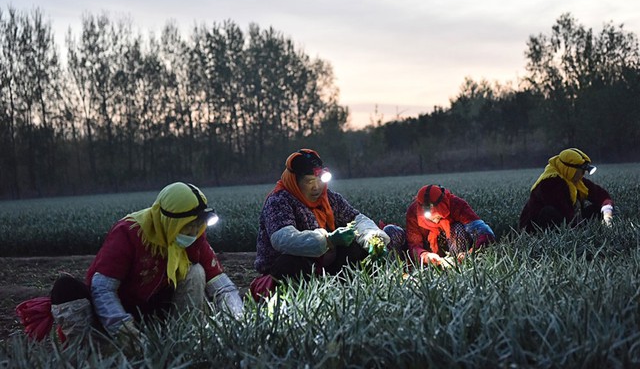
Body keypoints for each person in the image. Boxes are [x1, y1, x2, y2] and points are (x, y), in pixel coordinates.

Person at [48, 182, 244, 348]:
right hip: (115, 312)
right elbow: (103, 289)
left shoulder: (195, 235)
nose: (194, 232)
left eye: (198, 226)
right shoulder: (129, 232)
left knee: (196, 272)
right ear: (169, 222)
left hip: (153, 309)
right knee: (65, 288)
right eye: (188, 226)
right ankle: (92, 351)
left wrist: (238, 321)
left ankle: (186, 340)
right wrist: (125, 331)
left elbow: (221, 285)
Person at [252, 149, 399, 299]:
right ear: (295, 181)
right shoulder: (279, 200)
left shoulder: (330, 199)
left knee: (355, 249)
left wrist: (373, 239)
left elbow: (357, 219)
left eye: (320, 180)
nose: (316, 187)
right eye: (309, 181)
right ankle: (297, 298)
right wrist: (327, 240)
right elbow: (283, 239)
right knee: (290, 263)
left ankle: (349, 293)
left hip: (324, 263)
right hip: (290, 266)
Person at [519, 148, 614, 232]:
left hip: (569, 219)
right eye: (581, 170)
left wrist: (607, 213)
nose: (583, 173)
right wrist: (581, 229)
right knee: (549, 212)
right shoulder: (550, 183)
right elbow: (565, 212)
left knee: (598, 209)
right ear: (570, 169)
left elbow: (600, 194)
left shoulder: (575, 180)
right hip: (539, 226)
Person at [405, 184, 495, 267]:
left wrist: (471, 253)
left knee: (457, 227)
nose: (435, 221)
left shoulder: (456, 204)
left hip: (457, 246)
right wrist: (425, 255)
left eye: (438, 216)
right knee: (392, 233)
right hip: (431, 252)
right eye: (430, 218)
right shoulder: (414, 212)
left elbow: (485, 233)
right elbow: (414, 244)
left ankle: (457, 265)